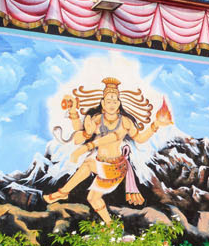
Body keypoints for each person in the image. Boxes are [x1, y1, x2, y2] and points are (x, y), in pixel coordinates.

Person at [44, 77, 171, 222]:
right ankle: (111, 226)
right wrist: (74, 113)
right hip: (101, 164)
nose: (112, 104)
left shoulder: (125, 122)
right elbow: (79, 136)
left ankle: (63, 192)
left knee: (88, 164)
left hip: (115, 167)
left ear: (119, 104)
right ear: (103, 103)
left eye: (115, 101)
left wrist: (156, 125)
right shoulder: (98, 119)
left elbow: (135, 138)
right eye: (108, 101)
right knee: (93, 198)